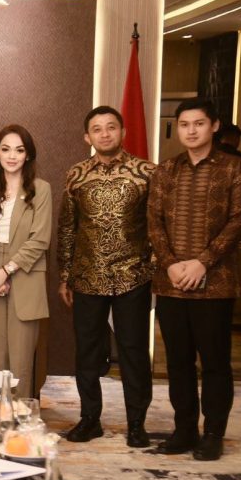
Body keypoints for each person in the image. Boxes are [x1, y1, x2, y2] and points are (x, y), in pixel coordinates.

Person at [148, 98, 241, 461]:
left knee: (214, 363)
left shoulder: (235, 169)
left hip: (216, 284)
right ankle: (184, 430)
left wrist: (202, 263)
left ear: (214, 126)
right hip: (171, 283)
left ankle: (213, 433)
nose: (191, 131)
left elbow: (238, 221)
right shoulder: (165, 170)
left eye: (198, 123)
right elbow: (154, 223)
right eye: (184, 125)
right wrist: (171, 264)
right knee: (177, 363)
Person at [57, 106, 155, 447]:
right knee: (87, 352)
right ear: (88, 136)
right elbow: (67, 227)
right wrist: (65, 274)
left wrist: (155, 268)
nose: (105, 134)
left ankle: (137, 423)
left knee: (133, 351)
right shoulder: (76, 174)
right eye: (97, 129)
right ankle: (89, 419)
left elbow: (158, 225)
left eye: (111, 127)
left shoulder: (147, 172)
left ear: (122, 132)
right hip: (87, 276)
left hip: (133, 275)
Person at [0, 125, 51, 389]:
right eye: (5, 149)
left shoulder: (41, 189)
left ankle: (19, 414)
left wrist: (6, 271)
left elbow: (39, 239)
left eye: (19, 150)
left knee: (20, 364)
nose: (12, 156)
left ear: (28, 155)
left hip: (25, 274)